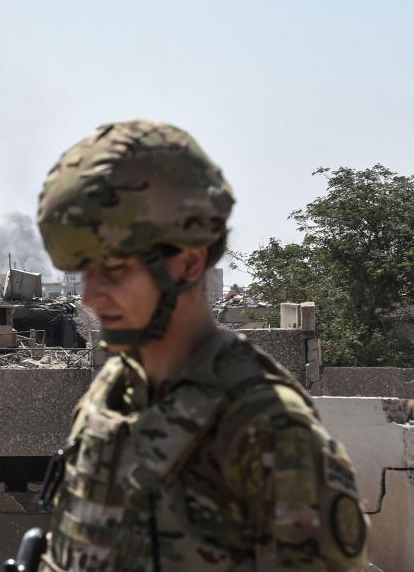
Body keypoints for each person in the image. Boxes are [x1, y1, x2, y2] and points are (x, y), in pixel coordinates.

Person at [33, 120, 368, 572]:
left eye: (112, 272)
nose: (89, 297)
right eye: (82, 273)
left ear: (188, 262)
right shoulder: (113, 391)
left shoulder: (269, 431)